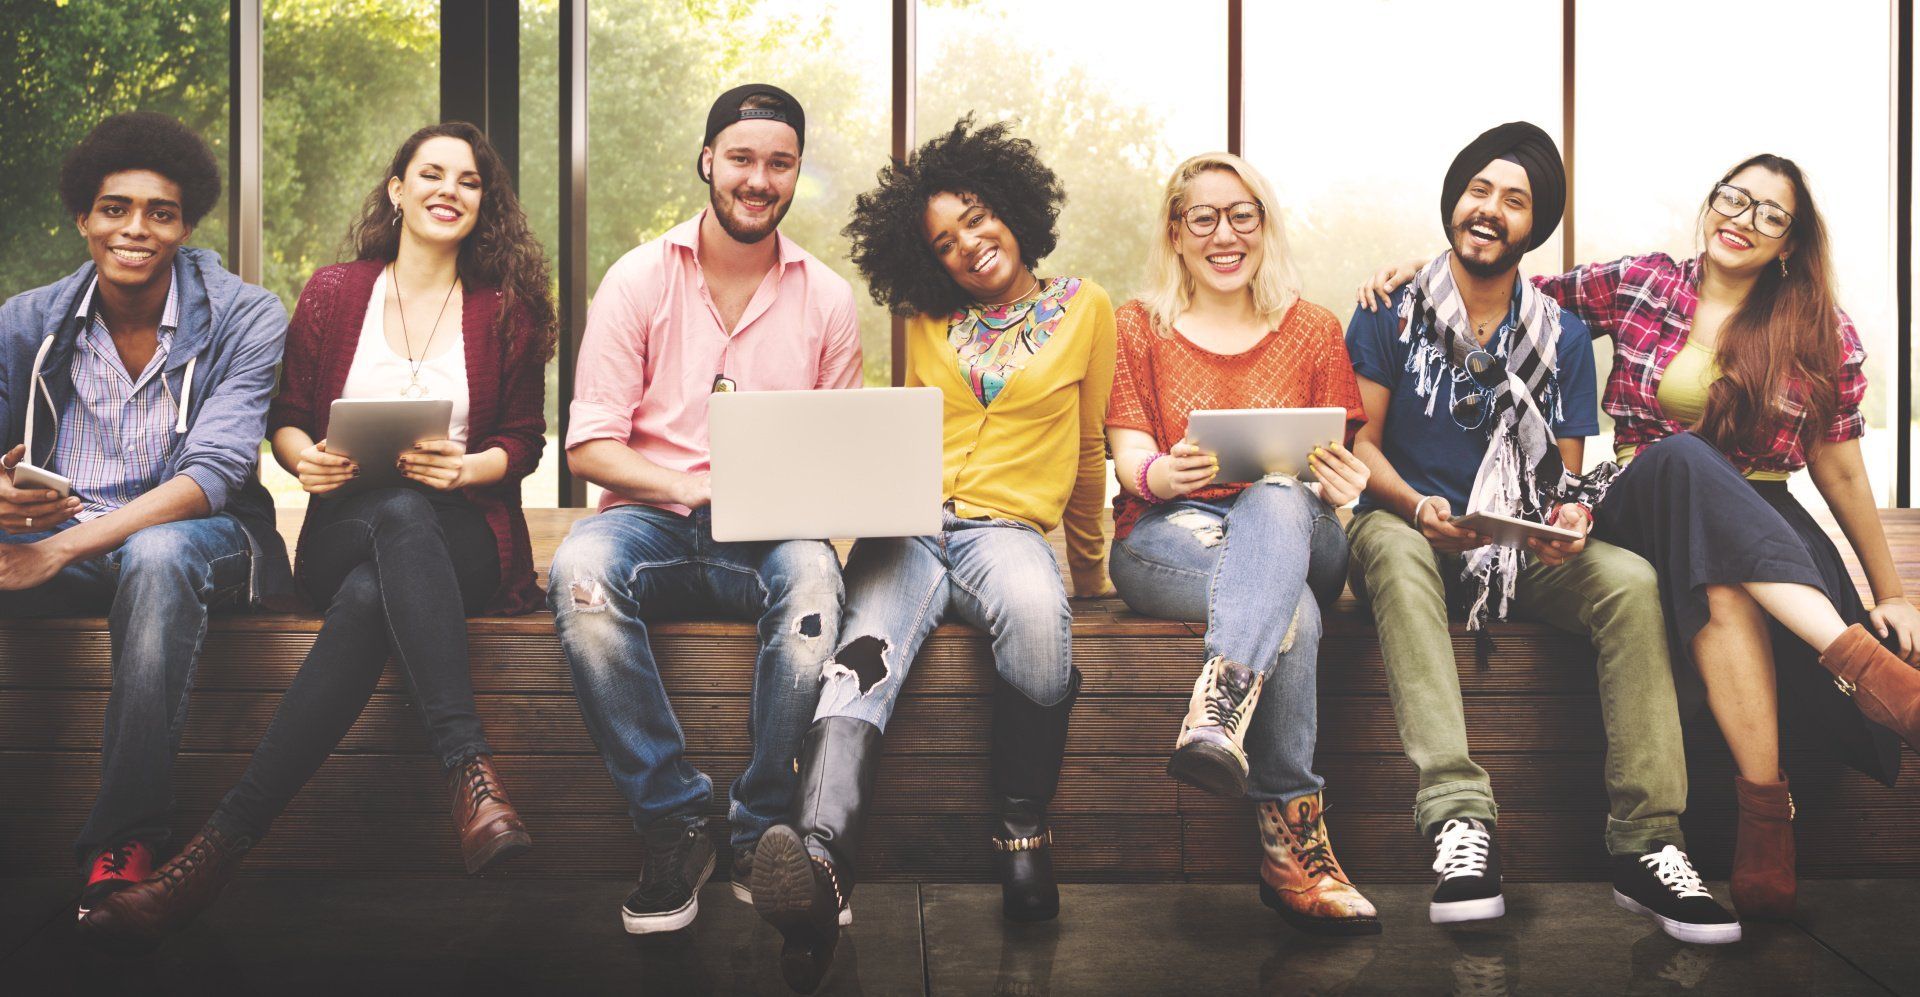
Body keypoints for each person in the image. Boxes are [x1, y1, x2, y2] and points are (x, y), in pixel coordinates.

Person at [1362, 152, 1920, 920]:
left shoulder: (1818, 330)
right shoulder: (1645, 283)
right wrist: (1416, 276)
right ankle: (1876, 677)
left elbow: (1846, 476)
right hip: (1636, 493)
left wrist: (1892, 594)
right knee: (1682, 456)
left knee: (1719, 573)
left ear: (1790, 242)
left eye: (1769, 213)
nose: (1742, 218)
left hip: (1759, 522)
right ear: (1711, 203)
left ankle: (1766, 816)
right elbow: (1506, 287)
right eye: (1733, 198)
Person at [79, 123, 555, 944]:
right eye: (430, 173)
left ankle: (210, 857)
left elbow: (523, 439)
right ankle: (468, 770)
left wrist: (467, 466)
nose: (449, 189)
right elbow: (287, 419)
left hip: (464, 536)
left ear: (485, 204)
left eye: (469, 181)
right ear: (397, 189)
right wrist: (307, 463)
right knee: (388, 525)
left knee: (391, 563)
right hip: (344, 525)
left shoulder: (505, 309)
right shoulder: (336, 292)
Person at [1343, 122, 1737, 944]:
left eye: (1514, 200)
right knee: (1382, 539)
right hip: (1414, 530)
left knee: (1628, 579)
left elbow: (1559, 474)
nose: (1490, 210)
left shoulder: (1557, 333)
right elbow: (1359, 445)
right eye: (1478, 191)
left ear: (1536, 225)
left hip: (1511, 550)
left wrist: (1564, 518)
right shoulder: (1389, 308)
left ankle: (1648, 841)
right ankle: (1459, 823)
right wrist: (1419, 506)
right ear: (1453, 202)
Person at [751, 117, 1114, 991]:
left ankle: (1022, 832)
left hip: (1007, 532)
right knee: (858, 657)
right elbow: (897, 428)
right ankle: (821, 860)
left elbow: (1092, 447)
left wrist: (1093, 570)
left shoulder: (1087, 309)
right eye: (945, 243)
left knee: (1036, 615)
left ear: (1015, 210)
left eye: (979, 219)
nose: (969, 246)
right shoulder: (919, 318)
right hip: (908, 524)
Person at [548, 84, 862, 937]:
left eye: (780, 162)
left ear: (796, 172)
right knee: (578, 569)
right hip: (650, 518)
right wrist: (688, 485)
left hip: (764, 536)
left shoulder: (828, 300)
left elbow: (840, 456)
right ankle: (674, 820)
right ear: (708, 162)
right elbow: (588, 448)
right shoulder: (638, 278)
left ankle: (762, 828)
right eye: (742, 159)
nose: (759, 179)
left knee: (811, 577)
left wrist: (816, 493)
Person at [0, 112, 292, 921]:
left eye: (159, 212)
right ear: (83, 218)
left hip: (204, 540)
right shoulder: (27, 320)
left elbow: (215, 474)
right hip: (61, 533)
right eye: (114, 208)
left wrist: (57, 552)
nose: (135, 228)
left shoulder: (246, 314)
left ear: (185, 223)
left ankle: (123, 838)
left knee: (157, 554)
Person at [1103, 152, 1378, 935]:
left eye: (1242, 215)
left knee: (1280, 493)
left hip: (1303, 529)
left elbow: (1337, 465)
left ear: (1264, 225)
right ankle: (1295, 850)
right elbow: (1131, 464)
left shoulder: (1315, 328)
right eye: (1204, 217)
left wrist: (1338, 481)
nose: (1225, 234)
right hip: (1171, 537)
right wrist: (1164, 471)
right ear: (1177, 232)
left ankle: (1219, 708)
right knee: (1290, 610)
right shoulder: (1138, 325)